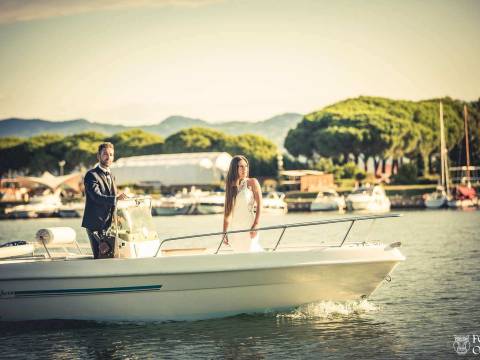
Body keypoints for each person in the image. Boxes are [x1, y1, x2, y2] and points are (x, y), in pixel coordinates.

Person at [81, 142, 128, 258]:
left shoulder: (112, 176)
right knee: (100, 257)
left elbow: (113, 198)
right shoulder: (91, 175)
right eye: (105, 154)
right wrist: (115, 199)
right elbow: (96, 197)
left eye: (111, 155)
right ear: (99, 156)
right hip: (95, 225)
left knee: (110, 256)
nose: (109, 157)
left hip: (109, 225)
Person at [223, 155, 263, 252]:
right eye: (241, 166)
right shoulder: (230, 186)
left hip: (249, 227)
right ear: (234, 168)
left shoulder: (252, 182)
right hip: (235, 230)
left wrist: (256, 224)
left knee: (251, 253)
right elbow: (227, 212)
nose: (244, 169)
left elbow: (260, 205)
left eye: (246, 166)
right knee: (239, 257)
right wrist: (224, 232)